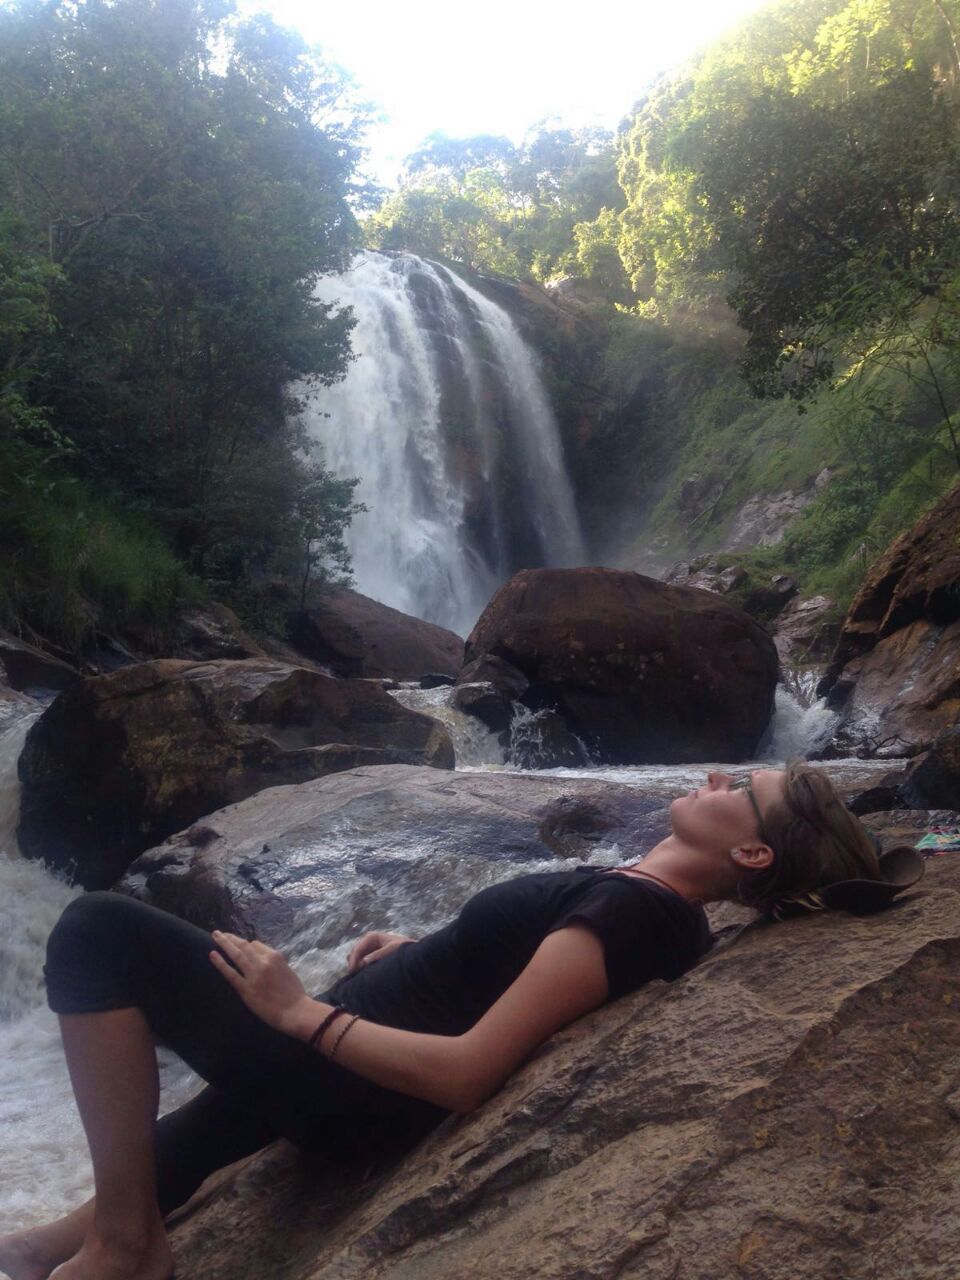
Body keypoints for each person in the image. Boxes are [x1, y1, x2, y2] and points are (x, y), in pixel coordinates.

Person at [0, 763, 921, 1280]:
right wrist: (426, 950)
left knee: (97, 933)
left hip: (345, 1085)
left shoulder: (636, 912)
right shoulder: (648, 905)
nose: (716, 775)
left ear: (752, 851)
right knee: (191, 1135)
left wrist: (298, 1012)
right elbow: (528, 974)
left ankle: (128, 1248)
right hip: (342, 1058)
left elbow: (469, 1072)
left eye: (740, 786)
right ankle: (50, 1247)